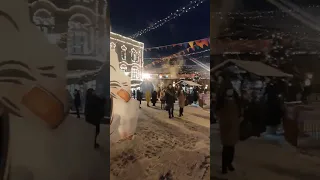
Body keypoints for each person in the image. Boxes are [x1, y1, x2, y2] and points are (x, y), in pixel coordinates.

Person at [215, 72, 241, 174]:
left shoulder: (235, 98)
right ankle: (224, 165)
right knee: (227, 146)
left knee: (231, 146)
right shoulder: (221, 99)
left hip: (233, 123)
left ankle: (229, 163)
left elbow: (239, 107)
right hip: (226, 124)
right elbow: (218, 109)